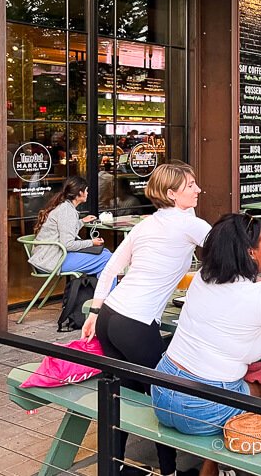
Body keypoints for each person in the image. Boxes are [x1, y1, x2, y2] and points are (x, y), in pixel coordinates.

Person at [151, 213, 261, 476]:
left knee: (237, 392)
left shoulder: (205, 278)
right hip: (202, 407)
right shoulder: (260, 298)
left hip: (162, 387)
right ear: (250, 252)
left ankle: (218, 467)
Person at [80, 162, 209, 476]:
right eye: (190, 185)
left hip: (111, 316)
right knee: (161, 395)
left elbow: (111, 269)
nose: (198, 189)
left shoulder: (147, 224)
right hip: (134, 322)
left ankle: (114, 466)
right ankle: (169, 471)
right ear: (170, 193)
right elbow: (233, 252)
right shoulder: (189, 224)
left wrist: (95, 311)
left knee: (121, 395)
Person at [30, 176, 112, 278]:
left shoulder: (65, 207)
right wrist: (91, 242)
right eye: (86, 190)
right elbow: (68, 244)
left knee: (105, 253)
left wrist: (81, 221)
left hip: (50, 256)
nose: (87, 193)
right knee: (107, 258)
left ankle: (99, 291)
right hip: (51, 261)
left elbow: (65, 228)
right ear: (80, 193)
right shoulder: (67, 210)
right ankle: (105, 293)